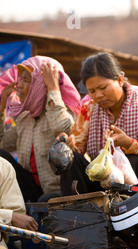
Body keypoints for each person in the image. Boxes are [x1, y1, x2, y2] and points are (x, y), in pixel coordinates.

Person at [59, 52, 138, 196]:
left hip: (136, 183)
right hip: (101, 178)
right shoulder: (89, 109)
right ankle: (77, 208)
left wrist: (128, 143)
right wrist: (69, 145)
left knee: (132, 160)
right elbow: (78, 148)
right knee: (73, 160)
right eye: (92, 91)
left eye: (103, 88)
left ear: (120, 80)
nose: (98, 95)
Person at [0, 56, 80, 202]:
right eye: (20, 79)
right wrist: (1, 108)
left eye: (26, 80)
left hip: (58, 192)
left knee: (45, 199)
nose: (18, 85)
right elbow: (3, 144)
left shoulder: (64, 111)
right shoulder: (25, 118)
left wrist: (53, 88)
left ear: (40, 84)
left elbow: (63, 128)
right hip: (31, 189)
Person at [0, 157, 38, 249]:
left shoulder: (3, 166)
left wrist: (11, 217)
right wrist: (8, 217)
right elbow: (13, 216)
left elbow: (17, 215)